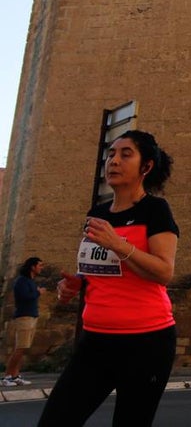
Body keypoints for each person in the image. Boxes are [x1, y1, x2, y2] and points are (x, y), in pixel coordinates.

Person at [39, 130, 179, 427]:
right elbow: (98, 269)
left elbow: (164, 272)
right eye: (111, 154)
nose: (114, 161)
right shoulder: (97, 214)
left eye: (126, 154)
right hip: (96, 341)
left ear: (146, 166)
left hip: (147, 342)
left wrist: (118, 243)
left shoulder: (155, 210)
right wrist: (76, 284)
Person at [4, 257, 43, 386]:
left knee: (24, 348)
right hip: (24, 317)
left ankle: (15, 375)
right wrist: (38, 293)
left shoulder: (30, 281)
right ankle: (7, 377)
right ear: (32, 267)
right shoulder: (22, 281)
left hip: (31, 316)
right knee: (20, 348)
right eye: (39, 265)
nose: (41, 268)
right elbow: (25, 297)